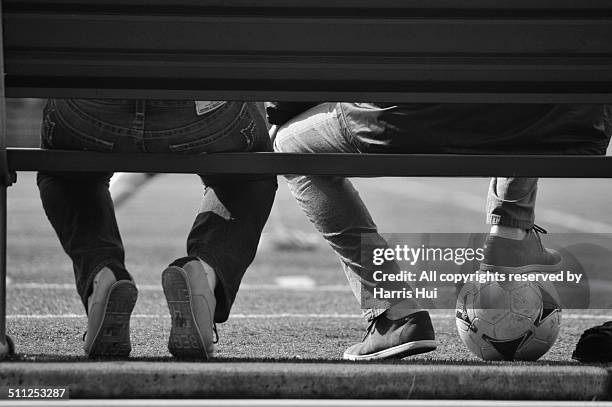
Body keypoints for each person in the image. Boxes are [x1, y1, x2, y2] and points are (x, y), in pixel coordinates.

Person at [272, 101, 612, 361]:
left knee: (289, 143)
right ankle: (511, 231)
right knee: (526, 101)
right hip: (566, 123)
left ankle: (394, 312)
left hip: (407, 120)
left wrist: (281, 112)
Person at [38, 99, 277, 359]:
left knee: (68, 176)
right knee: (247, 177)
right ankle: (206, 275)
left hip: (88, 113)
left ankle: (101, 273)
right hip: (205, 116)